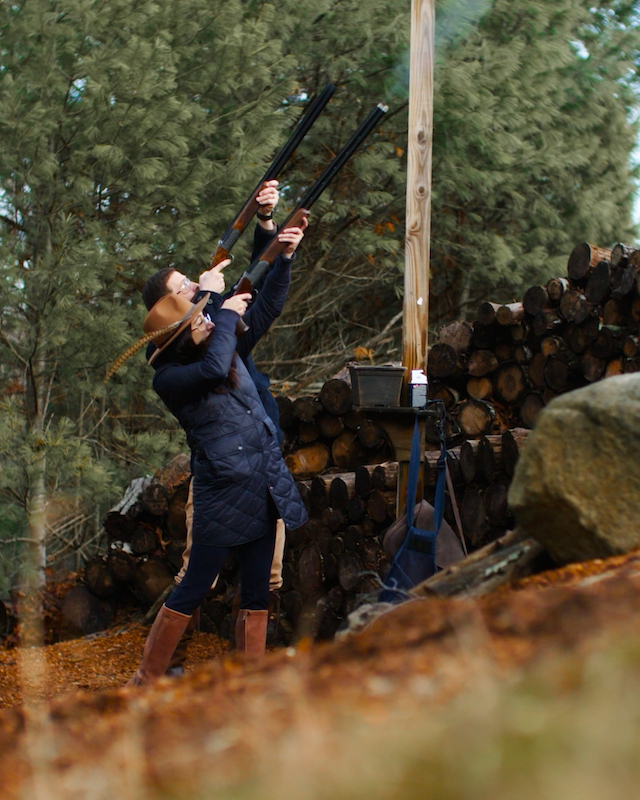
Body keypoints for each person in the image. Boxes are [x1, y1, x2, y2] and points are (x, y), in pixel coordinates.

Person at [126, 220, 308, 686]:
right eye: (187, 293)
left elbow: (263, 308)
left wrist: (281, 255)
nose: (198, 297)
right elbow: (209, 369)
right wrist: (221, 310)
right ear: (174, 317)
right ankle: (147, 679)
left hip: (260, 478)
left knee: (256, 591)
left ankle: (250, 681)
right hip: (223, 489)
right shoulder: (169, 375)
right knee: (193, 586)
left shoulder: (223, 342)